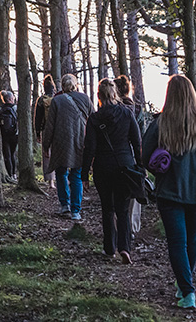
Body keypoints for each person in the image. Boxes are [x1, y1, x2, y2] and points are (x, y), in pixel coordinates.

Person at [141, 74, 196, 309]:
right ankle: (185, 284)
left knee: (177, 242)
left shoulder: (161, 123)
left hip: (170, 191)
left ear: (169, 96)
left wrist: (160, 168)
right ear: (192, 94)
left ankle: (187, 290)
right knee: (192, 239)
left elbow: (145, 156)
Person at [82, 79, 142, 263]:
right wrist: (140, 167)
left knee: (107, 208)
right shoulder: (126, 113)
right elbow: (136, 142)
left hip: (103, 167)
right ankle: (125, 248)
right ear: (114, 94)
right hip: (125, 166)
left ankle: (109, 248)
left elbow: (89, 148)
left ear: (98, 96)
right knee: (123, 209)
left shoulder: (94, 119)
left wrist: (84, 175)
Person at [42, 73, 93, 221]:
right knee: (76, 175)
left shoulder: (57, 100)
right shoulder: (85, 99)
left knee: (61, 172)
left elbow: (50, 126)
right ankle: (76, 210)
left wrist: (46, 145)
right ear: (75, 84)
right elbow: (93, 118)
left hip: (60, 142)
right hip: (80, 141)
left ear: (62, 86)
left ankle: (65, 205)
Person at [114, 75, 143, 238]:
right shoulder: (137, 109)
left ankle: (118, 227)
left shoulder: (111, 110)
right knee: (133, 194)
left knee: (116, 194)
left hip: (117, 156)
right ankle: (131, 227)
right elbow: (141, 136)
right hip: (133, 156)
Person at [34, 75, 56, 188]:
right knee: (57, 152)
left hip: (45, 129)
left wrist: (37, 132)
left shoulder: (41, 100)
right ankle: (61, 177)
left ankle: (50, 181)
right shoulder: (58, 98)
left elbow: (37, 118)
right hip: (57, 129)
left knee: (46, 154)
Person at [0, 90, 19, 183]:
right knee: (12, 154)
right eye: (13, 98)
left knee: (7, 155)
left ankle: (9, 174)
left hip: (4, 135)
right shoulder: (15, 108)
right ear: (10, 99)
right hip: (14, 134)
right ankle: (14, 175)